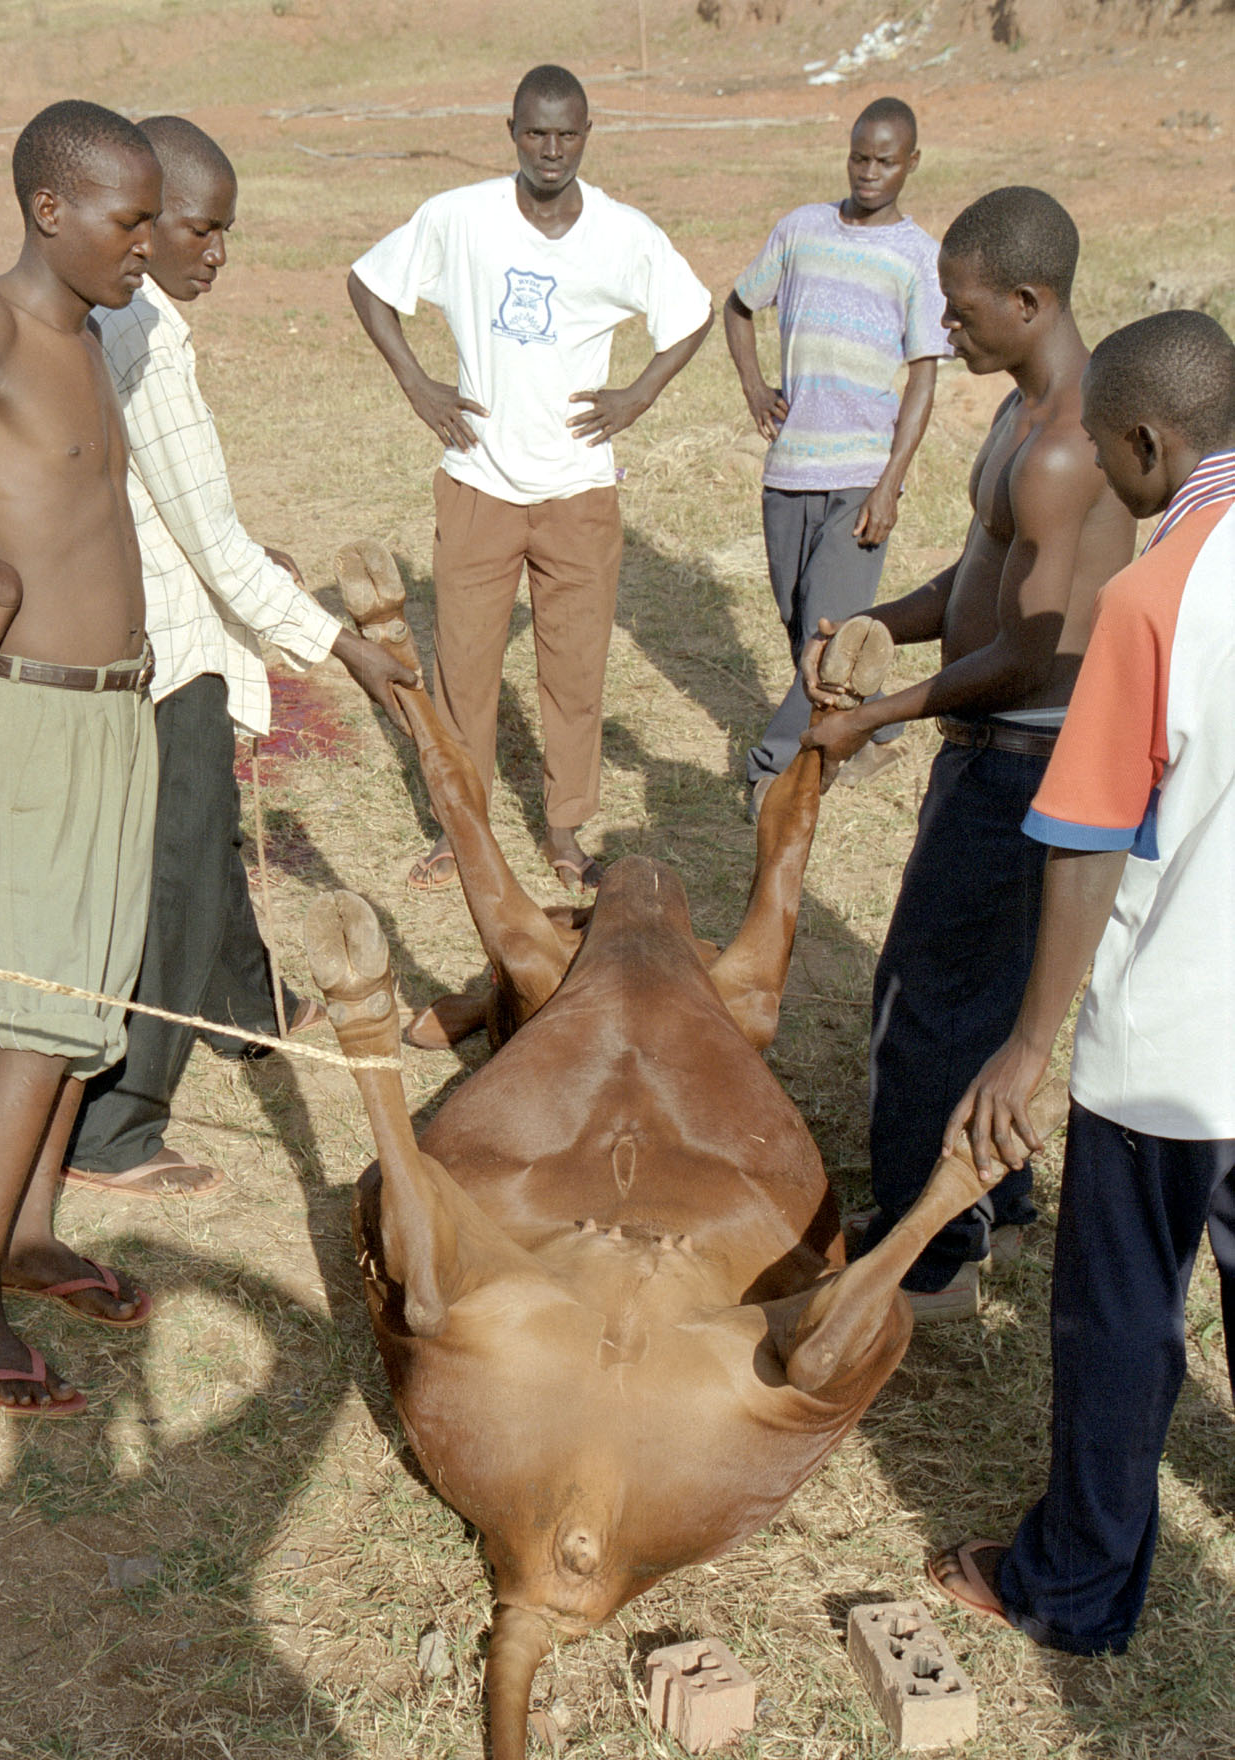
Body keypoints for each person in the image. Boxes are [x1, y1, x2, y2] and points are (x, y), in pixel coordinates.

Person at [928, 311, 1235, 1654]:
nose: (1107, 484)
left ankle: (1072, 1583)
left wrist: (1026, 1043)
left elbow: (1091, 830)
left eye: (1115, 459)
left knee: (1119, 1313)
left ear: (1149, 442)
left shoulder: (1156, 598)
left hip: (1172, 1044)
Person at [63, 116, 421, 1198]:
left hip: (175, 621)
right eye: (197, 229)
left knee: (208, 832)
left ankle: (245, 1011)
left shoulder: (133, 317)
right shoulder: (142, 336)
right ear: (140, 221)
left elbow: (171, 508)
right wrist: (338, 646)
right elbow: (209, 537)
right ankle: (116, 1128)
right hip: (162, 644)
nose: (215, 252)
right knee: (177, 873)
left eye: (227, 232)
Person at [803, 187, 1136, 1319]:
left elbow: (1031, 650)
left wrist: (876, 714)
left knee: (923, 999)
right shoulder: (1017, 418)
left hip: (1019, 759)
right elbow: (973, 584)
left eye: (960, 310)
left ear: (1028, 301)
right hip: (997, 747)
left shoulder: (1061, 448)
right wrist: (875, 622)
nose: (945, 329)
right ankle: (995, 1198)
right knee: (982, 994)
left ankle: (928, 1260)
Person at [347, 63, 713, 893]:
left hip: (577, 488)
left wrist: (639, 394)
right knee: (464, 669)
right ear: (511, 132)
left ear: (588, 134)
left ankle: (563, 829)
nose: (551, 150)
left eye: (567, 134)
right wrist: (415, 381)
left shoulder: (622, 234)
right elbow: (369, 283)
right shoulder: (460, 218)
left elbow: (690, 313)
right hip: (478, 480)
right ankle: (460, 831)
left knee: (574, 669)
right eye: (535, 134)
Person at [0, 101, 164, 1415]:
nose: (144, 246)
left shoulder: (95, 334)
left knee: (89, 1001)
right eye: (128, 220)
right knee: (37, 1012)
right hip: (27, 713)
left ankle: (28, 1236)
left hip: (114, 710)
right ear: (52, 210)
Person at [725, 96, 948, 810]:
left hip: (859, 475)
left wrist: (890, 482)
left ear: (911, 164)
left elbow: (923, 373)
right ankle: (875, 736)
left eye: (886, 161)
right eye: (860, 157)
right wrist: (755, 387)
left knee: (822, 637)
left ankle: (774, 770)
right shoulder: (801, 230)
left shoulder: (918, 257)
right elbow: (735, 306)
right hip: (789, 469)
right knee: (801, 622)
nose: (870, 173)